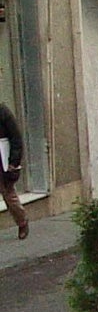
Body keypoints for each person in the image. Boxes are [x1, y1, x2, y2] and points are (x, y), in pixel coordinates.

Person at [0, 103, 29, 240]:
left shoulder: (3, 111)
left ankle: (22, 221)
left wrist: (14, 161)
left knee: (8, 195)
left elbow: (16, 137)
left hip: (3, 160)